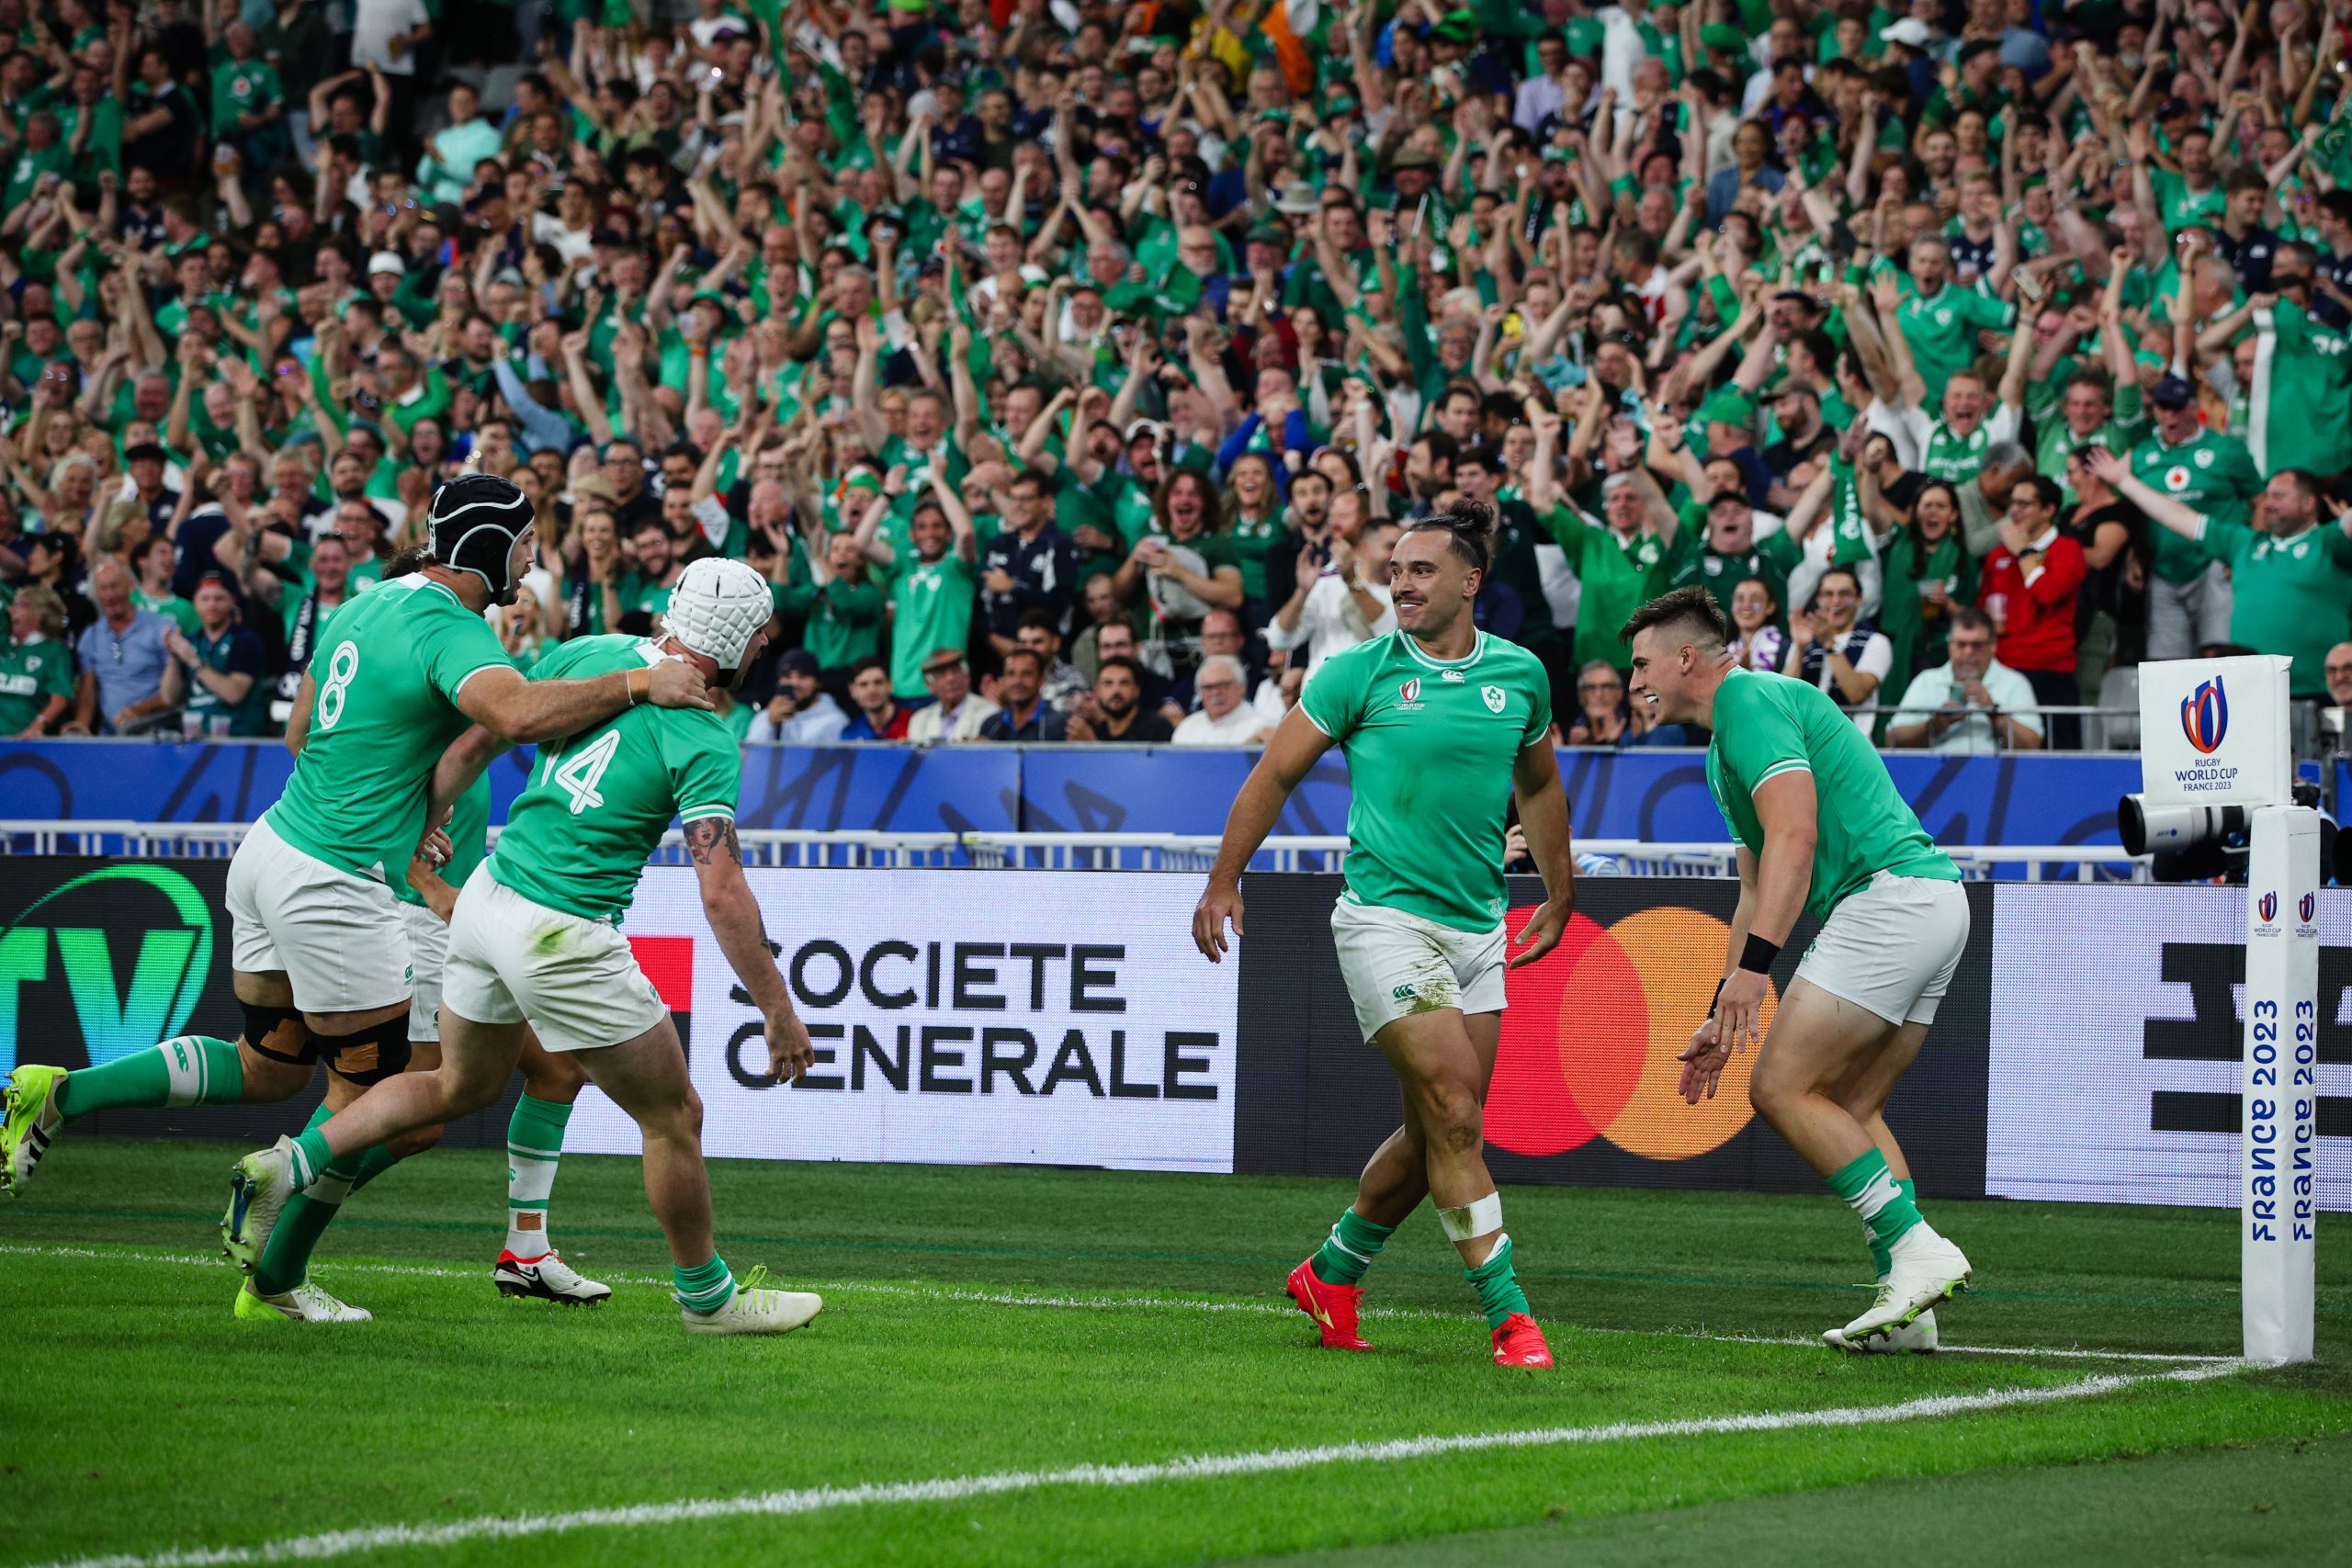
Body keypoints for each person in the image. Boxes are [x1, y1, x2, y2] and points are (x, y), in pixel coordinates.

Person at [2, 478, 712, 1325]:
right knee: (382, 1112)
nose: (532, 554)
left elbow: (302, 733)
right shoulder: (451, 630)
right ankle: (273, 1274)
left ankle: (60, 1092)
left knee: (269, 1064)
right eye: (524, 540)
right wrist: (642, 685)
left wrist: (403, 795)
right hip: (338, 885)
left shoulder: (367, 603)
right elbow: (517, 715)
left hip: (272, 848)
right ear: (488, 547)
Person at [223, 558, 825, 1337]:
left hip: (485, 901)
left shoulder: (589, 652)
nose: (769, 639)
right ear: (742, 637)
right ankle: (708, 1299)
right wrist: (777, 1011)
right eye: (763, 629)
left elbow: (476, 743)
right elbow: (722, 892)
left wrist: (422, 819)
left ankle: (287, 1164)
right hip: (562, 931)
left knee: (454, 1088)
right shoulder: (705, 731)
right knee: (673, 1113)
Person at [1193, 502, 1575, 1370]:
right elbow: (1273, 774)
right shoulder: (1355, 672)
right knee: (1454, 1110)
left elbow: (1541, 784)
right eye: (1394, 570)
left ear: (1470, 582)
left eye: (1420, 570)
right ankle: (1512, 1318)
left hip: (1479, 927)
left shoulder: (1519, 673)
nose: (1399, 583)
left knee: (1439, 1129)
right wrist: (1224, 880)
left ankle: (1332, 1270)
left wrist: (1558, 890)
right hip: (1383, 920)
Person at [1623, 587, 1973, 1353]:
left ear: (1688, 658)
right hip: (1933, 902)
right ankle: (1909, 1309)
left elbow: (1796, 834)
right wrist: (1723, 1005)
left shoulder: (1747, 699)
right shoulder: (1723, 748)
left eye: (1643, 663)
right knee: (1849, 1100)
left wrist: (1757, 971)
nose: (1633, 680)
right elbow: (1754, 888)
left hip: (1890, 902)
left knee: (1778, 1087)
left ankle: (1916, 1247)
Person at [2091, 453, 2352, 705]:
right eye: (2268, 495)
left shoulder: (2330, 542)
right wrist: (2124, 481)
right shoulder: (2244, 543)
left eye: (2279, 496)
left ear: (2309, 503)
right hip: (2251, 695)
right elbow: (2177, 516)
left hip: (2321, 694)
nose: (2268, 503)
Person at [2129, 376, 2261, 660]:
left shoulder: (2227, 450)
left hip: (2213, 567)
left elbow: (2260, 502)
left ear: (2193, 408)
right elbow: (2133, 512)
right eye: (2163, 408)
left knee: (2218, 655)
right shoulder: (2141, 454)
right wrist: (2133, 555)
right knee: (2166, 665)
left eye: (2177, 408)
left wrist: (2246, 556)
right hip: (2163, 570)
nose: (2170, 415)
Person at [1976, 476, 2086, 748]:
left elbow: (2047, 593)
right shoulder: (1998, 556)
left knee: (2059, 761)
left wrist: (2024, 551)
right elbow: (1984, 613)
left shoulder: (2068, 550)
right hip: (2003, 671)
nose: (2014, 510)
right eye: (2012, 503)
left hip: (2050, 671)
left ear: (2049, 510)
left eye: (2024, 504)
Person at [1884, 608, 2043, 753]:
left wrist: (1994, 713)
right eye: (1961, 644)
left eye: (1977, 645)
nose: (1968, 652)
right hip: (1935, 778)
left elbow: (2033, 745)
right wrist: (1934, 725)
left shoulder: (2014, 683)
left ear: (1993, 646)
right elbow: (1891, 740)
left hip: (1997, 778)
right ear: (1950, 645)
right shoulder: (1927, 681)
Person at [66, 558, 172, 735]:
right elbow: (87, 693)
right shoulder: (91, 636)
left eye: (115, 586)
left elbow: (177, 691)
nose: (109, 595)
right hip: (109, 736)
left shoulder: (160, 628)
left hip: (155, 732)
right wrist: (81, 724)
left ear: (130, 586)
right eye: (103, 588)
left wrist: (139, 710)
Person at [1786, 568, 1891, 736]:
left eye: (1845, 594)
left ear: (1859, 600)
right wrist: (1799, 648)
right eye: (1828, 594)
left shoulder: (1876, 642)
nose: (1836, 601)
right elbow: (1785, 697)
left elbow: (1856, 693)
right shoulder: (1806, 641)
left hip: (1852, 748)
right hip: (1806, 746)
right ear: (1818, 600)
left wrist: (1829, 642)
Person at [161, 573, 267, 737]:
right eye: (205, 599)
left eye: (219, 599)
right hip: (195, 737)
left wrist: (194, 661)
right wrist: (173, 658)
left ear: (232, 601)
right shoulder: (191, 641)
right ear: (195, 603)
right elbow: (169, 698)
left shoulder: (245, 640)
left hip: (238, 738)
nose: (212, 605)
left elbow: (234, 694)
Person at [0, 587, 74, 737]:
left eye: (19, 605)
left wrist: (37, 726)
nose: (11, 611)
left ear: (41, 613)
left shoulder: (54, 651)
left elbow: (59, 699)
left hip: (29, 745)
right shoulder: (3, 646)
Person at [747, 649, 850, 744]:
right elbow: (751, 758)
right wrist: (770, 724)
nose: (795, 683)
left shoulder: (835, 721)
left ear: (817, 682)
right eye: (787, 676)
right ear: (779, 681)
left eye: (803, 676)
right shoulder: (765, 717)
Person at [1065, 658, 1174, 743]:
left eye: (1124, 683)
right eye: (1108, 683)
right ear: (1097, 691)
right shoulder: (1097, 730)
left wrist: (1093, 746)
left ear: (1136, 690)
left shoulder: (1156, 728)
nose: (1116, 690)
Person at [904, 647, 1001, 743]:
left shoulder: (990, 713)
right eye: (942, 674)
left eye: (956, 670)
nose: (951, 678)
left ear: (967, 676)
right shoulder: (920, 720)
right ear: (929, 685)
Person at [1171, 656, 1271, 745]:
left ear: (1242, 687)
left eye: (1223, 685)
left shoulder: (1260, 727)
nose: (1215, 693)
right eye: (1208, 687)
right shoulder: (1187, 727)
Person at [978, 648, 1070, 741]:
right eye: (1011, 674)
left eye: (1027, 674)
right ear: (1004, 679)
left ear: (1041, 679)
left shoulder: (1060, 725)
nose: (1017, 681)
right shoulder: (991, 725)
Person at [840, 658, 912, 741]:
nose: (872, 690)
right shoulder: (850, 733)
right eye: (863, 685)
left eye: (878, 682)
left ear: (890, 686)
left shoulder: (912, 723)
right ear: (853, 691)